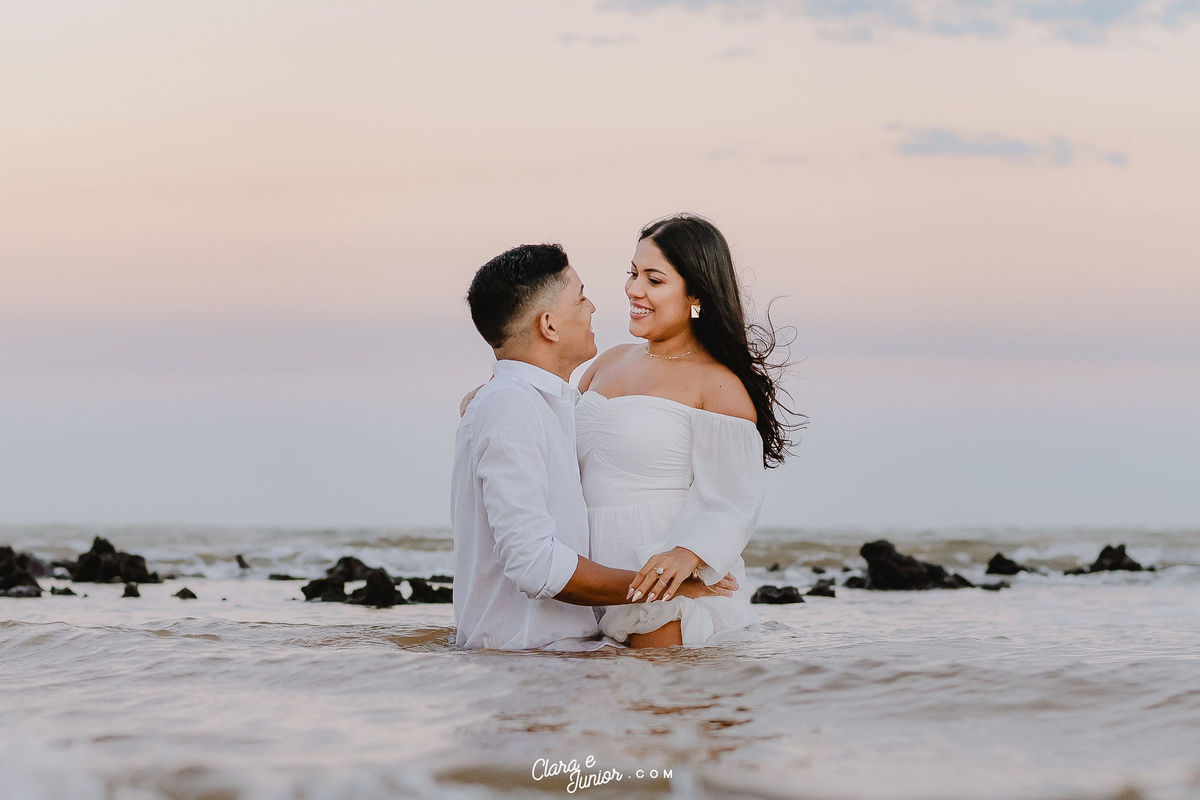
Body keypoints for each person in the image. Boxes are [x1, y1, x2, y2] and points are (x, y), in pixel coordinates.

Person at [451, 242, 736, 650]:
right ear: (549, 326)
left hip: (559, 659)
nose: (592, 308)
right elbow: (536, 566)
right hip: (528, 664)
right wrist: (663, 588)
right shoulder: (511, 406)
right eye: (580, 298)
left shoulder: (539, 403)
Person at [576, 214, 798, 648]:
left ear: (696, 294)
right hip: (588, 579)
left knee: (654, 692)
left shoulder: (717, 384)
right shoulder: (610, 360)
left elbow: (733, 497)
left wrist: (688, 553)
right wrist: (504, 395)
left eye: (654, 279)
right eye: (633, 273)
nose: (634, 289)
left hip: (661, 583)